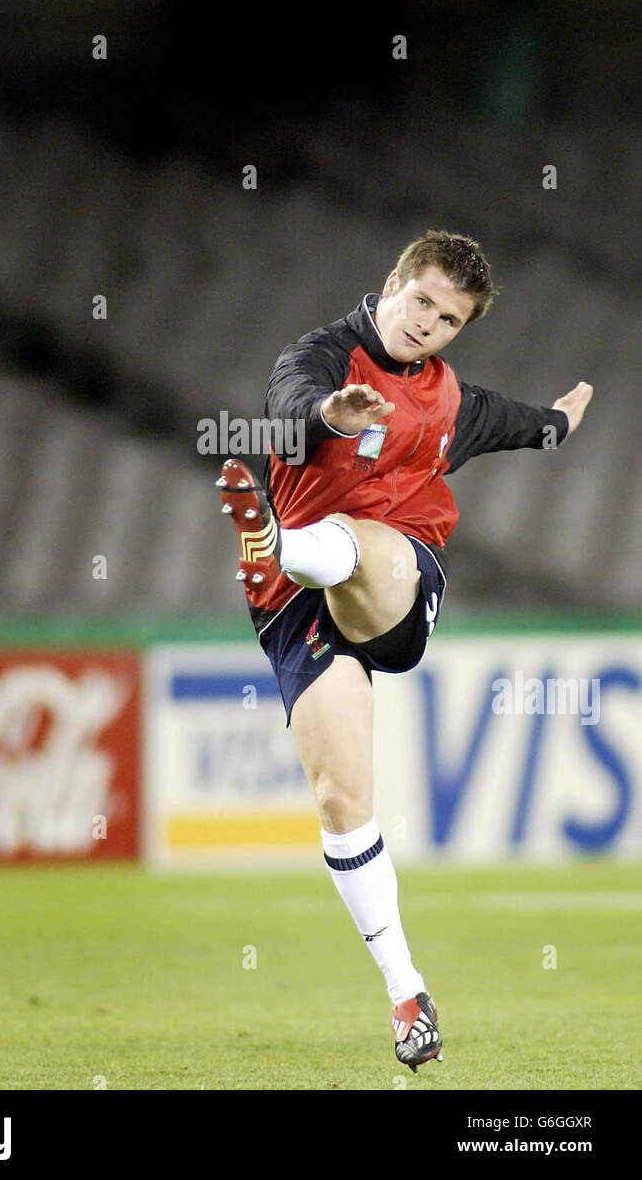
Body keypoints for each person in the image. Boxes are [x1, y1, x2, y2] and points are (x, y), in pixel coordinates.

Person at [217, 229, 593, 1072]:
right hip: (295, 610)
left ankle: (279, 543)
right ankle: (406, 991)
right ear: (391, 285)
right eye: (421, 300)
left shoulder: (449, 399)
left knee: (356, 539)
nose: (428, 323)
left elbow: (519, 425)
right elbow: (285, 405)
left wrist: (560, 423)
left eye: (449, 318)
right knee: (341, 797)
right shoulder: (321, 357)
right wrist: (329, 415)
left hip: (395, 582)